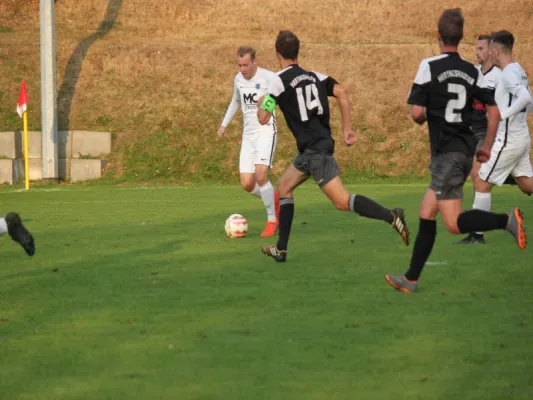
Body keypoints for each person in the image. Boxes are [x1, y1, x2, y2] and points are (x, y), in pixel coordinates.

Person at [385, 9, 526, 293]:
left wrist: (426, 115)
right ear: (460, 38)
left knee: (452, 222)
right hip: (464, 151)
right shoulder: (472, 70)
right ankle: (411, 279)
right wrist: (486, 145)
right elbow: (494, 110)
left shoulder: (429, 65)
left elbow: (416, 112)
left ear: (438, 37)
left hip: (446, 154)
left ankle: (505, 220)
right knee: (427, 212)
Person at [256, 30, 410, 263]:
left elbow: (263, 118)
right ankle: (281, 248)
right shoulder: (314, 76)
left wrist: (262, 102)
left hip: (315, 151)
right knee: (284, 185)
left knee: (342, 202)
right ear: (297, 53)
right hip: (311, 150)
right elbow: (341, 92)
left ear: (278, 54)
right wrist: (347, 128)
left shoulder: (278, 81)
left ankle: (391, 216)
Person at [470, 30, 533, 241]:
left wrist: (502, 115)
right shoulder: (518, 70)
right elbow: (528, 100)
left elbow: (524, 98)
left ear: (496, 52)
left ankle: (476, 235)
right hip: (520, 136)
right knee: (526, 184)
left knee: (481, 181)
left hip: (509, 140)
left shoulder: (507, 73)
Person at [218, 46, 280, 237]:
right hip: (248, 134)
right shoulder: (238, 79)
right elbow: (235, 101)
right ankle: (275, 199)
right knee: (247, 183)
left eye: (246, 64)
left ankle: (272, 219)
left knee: (261, 175)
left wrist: (267, 107)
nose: (242, 69)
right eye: (239, 65)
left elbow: (277, 94)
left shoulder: (268, 77)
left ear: (254, 62)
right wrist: (224, 125)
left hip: (266, 130)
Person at [457, 34, 502, 244]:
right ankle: (477, 232)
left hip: (486, 132)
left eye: (481, 49)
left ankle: (477, 233)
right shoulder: (475, 73)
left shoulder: (500, 77)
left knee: (478, 175)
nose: (477, 52)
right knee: (478, 178)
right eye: (476, 48)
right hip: (472, 130)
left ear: (492, 51)